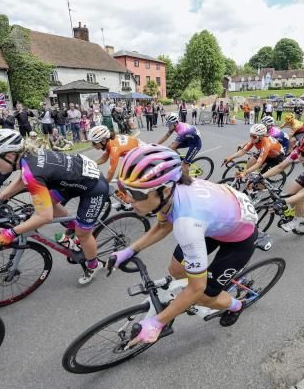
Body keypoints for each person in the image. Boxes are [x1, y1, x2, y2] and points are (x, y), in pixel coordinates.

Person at [109, 144, 259, 344]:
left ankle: (236, 305)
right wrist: (128, 251)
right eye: (124, 190)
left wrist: (157, 322)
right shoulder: (171, 192)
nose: (128, 200)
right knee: (176, 268)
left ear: (163, 190)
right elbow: (162, 226)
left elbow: (196, 288)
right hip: (215, 222)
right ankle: (206, 289)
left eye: (136, 194)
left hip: (238, 239)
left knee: (202, 296)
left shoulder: (186, 222)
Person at [0, 129, 109, 284]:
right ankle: (73, 228)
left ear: (10, 156)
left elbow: (44, 216)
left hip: (94, 187)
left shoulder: (32, 170)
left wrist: (11, 233)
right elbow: (22, 178)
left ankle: (94, 264)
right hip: (74, 178)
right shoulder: (26, 157)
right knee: (49, 203)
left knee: (83, 234)